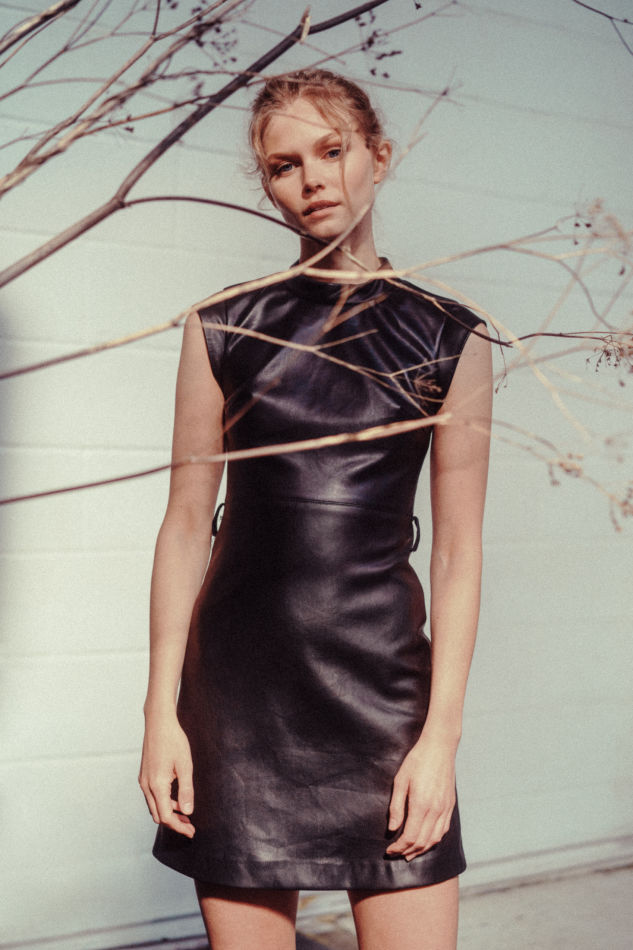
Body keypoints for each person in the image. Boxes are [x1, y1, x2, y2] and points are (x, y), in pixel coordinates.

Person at [139, 69, 492, 950]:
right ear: (266, 183)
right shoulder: (225, 327)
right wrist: (159, 716)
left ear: (379, 154)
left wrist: (440, 740)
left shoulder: (450, 335)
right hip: (239, 703)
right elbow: (184, 526)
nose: (312, 179)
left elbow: (457, 552)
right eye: (283, 164)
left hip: (381, 692)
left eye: (332, 151)